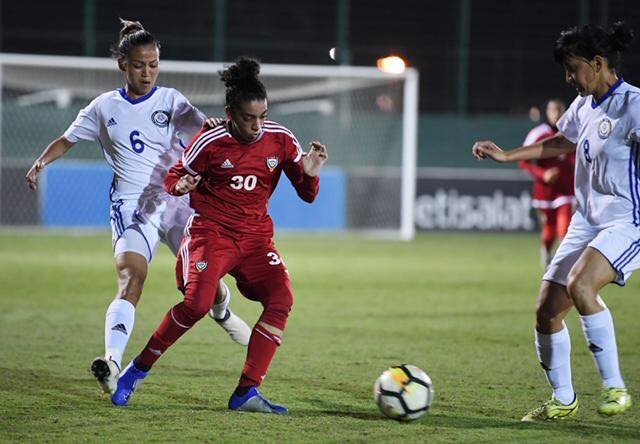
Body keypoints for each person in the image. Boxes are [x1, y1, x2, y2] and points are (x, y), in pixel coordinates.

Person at [25, 19, 251, 395]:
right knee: (131, 278)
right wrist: (40, 162)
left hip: (177, 203)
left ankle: (222, 310)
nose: (147, 72)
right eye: (139, 65)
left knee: (203, 284)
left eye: (153, 64)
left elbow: (203, 132)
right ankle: (112, 363)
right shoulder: (103, 107)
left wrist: (214, 128)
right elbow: (66, 139)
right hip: (132, 207)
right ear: (123, 65)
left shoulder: (171, 100)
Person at [110, 57, 328, 413]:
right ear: (230, 113)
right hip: (211, 234)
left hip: (256, 240)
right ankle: (136, 371)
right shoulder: (211, 140)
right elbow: (173, 177)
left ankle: (246, 392)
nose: (257, 125)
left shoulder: (281, 139)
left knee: (281, 299)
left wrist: (312, 173)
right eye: (248, 118)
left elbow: (307, 194)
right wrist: (181, 185)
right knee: (197, 305)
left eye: (263, 116)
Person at [472, 21, 636, 421]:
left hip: (625, 221)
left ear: (597, 63)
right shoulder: (583, 105)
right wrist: (508, 155)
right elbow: (562, 141)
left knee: (581, 285)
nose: (568, 78)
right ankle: (563, 399)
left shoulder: (633, 105)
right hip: (587, 220)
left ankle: (615, 388)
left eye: (572, 68)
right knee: (546, 311)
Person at [518, 99, 576, 267]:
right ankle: (546, 251)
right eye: (552, 111)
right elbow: (523, 162)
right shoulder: (538, 133)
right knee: (549, 230)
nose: (556, 114)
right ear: (547, 113)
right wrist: (543, 174)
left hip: (566, 190)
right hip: (545, 191)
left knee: (564, 230)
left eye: (559, 110)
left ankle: (560, 268)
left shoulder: (571, 132)